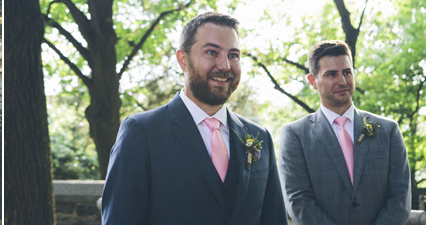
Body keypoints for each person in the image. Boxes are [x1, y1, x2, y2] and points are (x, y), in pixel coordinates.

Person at [101, 12, 287, 225]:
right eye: (211, 52)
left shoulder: (258, 136)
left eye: (233, 55)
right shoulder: (142, 132)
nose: (225, 65)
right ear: (183, 60)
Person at [278, 40, 411, 225]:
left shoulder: (388, 131)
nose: (342, 81)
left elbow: (400, 198)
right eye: (331, 74)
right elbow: (298, 201)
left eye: (347, 72)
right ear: (312, 81)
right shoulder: (295, 136)